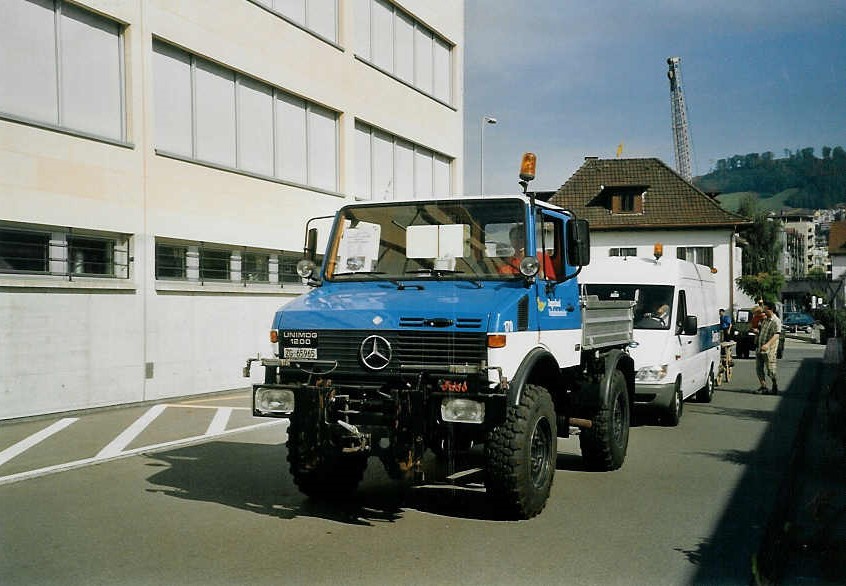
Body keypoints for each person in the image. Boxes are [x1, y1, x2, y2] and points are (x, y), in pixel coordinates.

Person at [755, 300, 782, 395]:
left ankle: (774, 384)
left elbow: (777, 335)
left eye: (766, 309)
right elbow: (761, 331)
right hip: (760, 347)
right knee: (759, 368)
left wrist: (767, 345)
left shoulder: (776, 321)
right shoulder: (765, 320)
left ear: (771, 310)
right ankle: (763, 386)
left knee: (770, 370)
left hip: (769, 350)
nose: (764, 311)